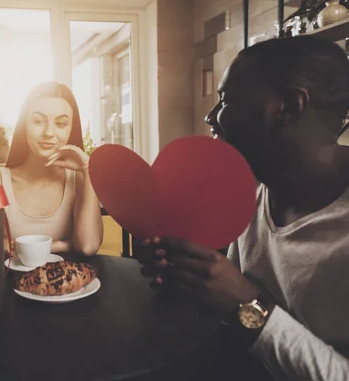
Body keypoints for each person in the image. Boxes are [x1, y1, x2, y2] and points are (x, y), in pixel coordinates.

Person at [136, 35, 349, 380]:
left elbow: (247, 307)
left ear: (288, 106)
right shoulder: (255, 192)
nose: (210, 116)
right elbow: (232, 314)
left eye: (226, 100)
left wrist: (250, 306)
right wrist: (192, 278)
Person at [0, 82, 103, 255]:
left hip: (68, 281)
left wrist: (88, 169)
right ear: (24, 125)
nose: (49, 132)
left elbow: (88, 247)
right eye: (39, 121)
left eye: (61, 124)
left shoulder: (79, 180)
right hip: (7, 281)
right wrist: (64, 245)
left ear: (71, 129)